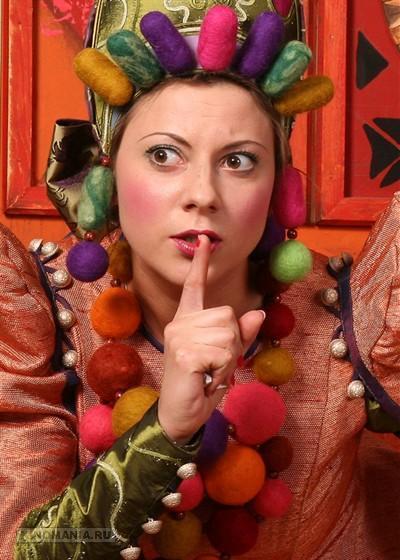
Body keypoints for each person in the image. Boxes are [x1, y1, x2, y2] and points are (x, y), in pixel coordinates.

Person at [1, 2, 400, 559]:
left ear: (279, 185)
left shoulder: (356, 313)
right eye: (164, 155)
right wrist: (167, 428)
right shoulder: (39, 313)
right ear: (107, 172)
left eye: (238, 161)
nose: (203, 194)